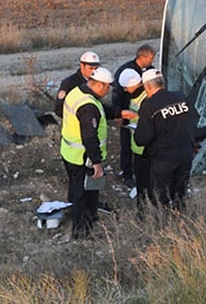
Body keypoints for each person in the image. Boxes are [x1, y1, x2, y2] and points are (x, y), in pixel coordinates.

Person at [60, 67, 136, 239]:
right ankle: (81, 232)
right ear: (100, 85)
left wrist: (119, 112)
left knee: (82, 191)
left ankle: (89, 217)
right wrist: (97, 162)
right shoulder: (88, 106)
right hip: (83, 158)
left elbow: (100, 109)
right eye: (108, 86)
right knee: (83, 194)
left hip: (69, 153)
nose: (109, 90)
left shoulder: (79, 92)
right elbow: (89, 137)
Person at [134, 69, 197, 212]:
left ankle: (162, 226)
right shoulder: (180, 97)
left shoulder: (149, 105)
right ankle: (180, 220)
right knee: (180, 192)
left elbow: (143, 138)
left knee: (160, 195)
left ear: (148, 86)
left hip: (164, 158)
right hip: (185, 154)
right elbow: (195, 122)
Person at [112, 44, 156, 189]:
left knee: (142, 145)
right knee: (126, 145)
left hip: (142, 116)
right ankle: (127, 173)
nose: (152, 60)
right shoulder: (125, 71)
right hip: (127, 114)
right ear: (142, 57)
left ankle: (142, 172)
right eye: (150, 58)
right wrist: (118, 113)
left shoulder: (150, 70)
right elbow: (117, 94)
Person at [118, 68, 156, 216]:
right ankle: (142, 210)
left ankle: (146, 212)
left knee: (147, 183)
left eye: (127, 87)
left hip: (146, 149)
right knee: (141, 183)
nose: (126, 91)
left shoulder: (147, 98)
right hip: (137, 147)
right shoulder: (134, 97)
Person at [54, 51, 101, 117]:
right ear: (82, 66)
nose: (94, 72)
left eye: (96, 69)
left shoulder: (97, 82)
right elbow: (59, 109)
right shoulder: (69, 83)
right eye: (90, 68)